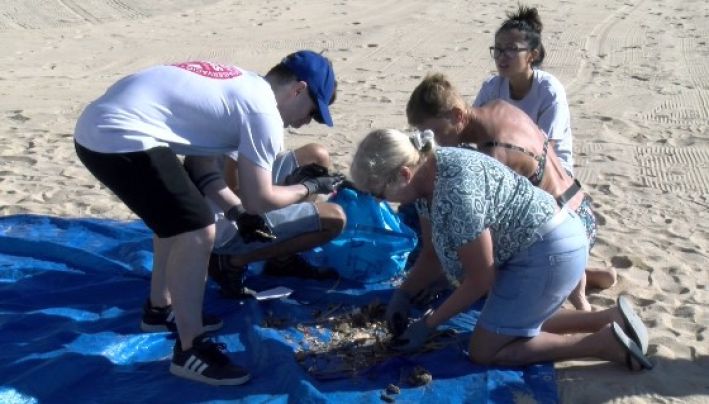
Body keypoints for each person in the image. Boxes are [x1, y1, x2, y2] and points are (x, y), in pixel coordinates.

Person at [74, 50, 342, 385]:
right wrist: (309, 186)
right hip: (117, 136)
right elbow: (261, 199)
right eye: (312, 112)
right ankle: (190, 351)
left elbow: (200, 167)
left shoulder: (244, 86)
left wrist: (236, 213)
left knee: (176, 219)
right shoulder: (263, 112)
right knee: (197, 230)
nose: (306, 123)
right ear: (298, 89)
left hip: (99, 128)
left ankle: (159, 311)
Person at [350, 129, 652, 371]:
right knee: (508, 319)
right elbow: (432, 256)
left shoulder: (455, 193)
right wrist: (404, 293)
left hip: (549, 251)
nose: (382, 201)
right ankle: (609, 319)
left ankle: (601, 345)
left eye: (380, 194)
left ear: (403, 174)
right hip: (544, 246)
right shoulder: (426, 174)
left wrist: (428, 324)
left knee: (485, 350)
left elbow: (481, 279)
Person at [407, 73, 617, 311]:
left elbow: (487, 247)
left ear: (457, 116)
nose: (432, 144)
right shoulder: (496, 107)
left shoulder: (496, 153)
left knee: (478, 265)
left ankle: (578, 295)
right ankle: (583, 273)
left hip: (571, 228)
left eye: (434, 134)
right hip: (581, 208)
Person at [207, 143, 347, 298]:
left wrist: (293, 182)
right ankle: (231, 261)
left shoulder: (259, 122)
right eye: (312, 116)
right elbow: (239, 197)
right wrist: (306, 186)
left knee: (317, 156)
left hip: (237, 196)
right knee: (335, 218)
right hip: (227, 224)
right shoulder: (257, 123)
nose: (307, 122)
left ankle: (282, 260)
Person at [473, 5, 574, 175]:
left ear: (531, 55)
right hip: (503, 165)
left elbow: (545, 151)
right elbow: (470, 127)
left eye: (512, 49)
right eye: (498, 49)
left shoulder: (549, 91)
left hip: (551, 173)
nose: (502, 56)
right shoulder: (492, 86)